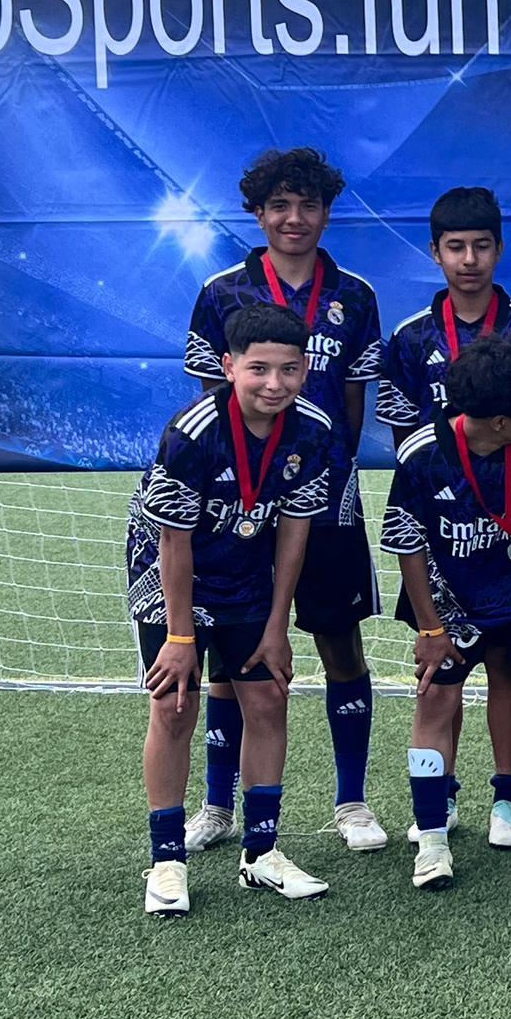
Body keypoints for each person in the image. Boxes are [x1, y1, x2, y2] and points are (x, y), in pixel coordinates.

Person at [182, 148, 388, 854]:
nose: (294, 218)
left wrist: (325, 477)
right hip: (236, 508)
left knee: (339, 644)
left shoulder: (355, 295)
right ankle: (216, 805)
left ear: (326, 211)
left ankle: (352, 801)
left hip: (325, 501)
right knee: (232, 657)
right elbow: (211, 399)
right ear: (258, 211)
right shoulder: (219, 293)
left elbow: (353, 413)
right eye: (279, 205)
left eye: (308, 204)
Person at [378, 186, 511, 852]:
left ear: (499, 248)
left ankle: (509, 800)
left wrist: (510, 498)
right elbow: (407, 441)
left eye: (481, 245)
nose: (469, 259)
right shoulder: (410, 338)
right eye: (455, 247)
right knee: (439, 682)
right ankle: (441, 804)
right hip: (442, 538)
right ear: (435, 253)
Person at [131, 303, 343, 915]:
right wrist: (179, 636)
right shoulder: (192, 432)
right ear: (228, 367)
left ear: (305, 371)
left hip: (249, 574)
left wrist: (277, 627)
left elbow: (296, 530)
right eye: (258, 370)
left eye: (289, 370)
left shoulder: (313, 431)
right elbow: (172, 541)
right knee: (174, 707)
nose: (274, 384)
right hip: (171, 577)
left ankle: (262, 853)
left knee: (268, 696)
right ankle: (168, 861)